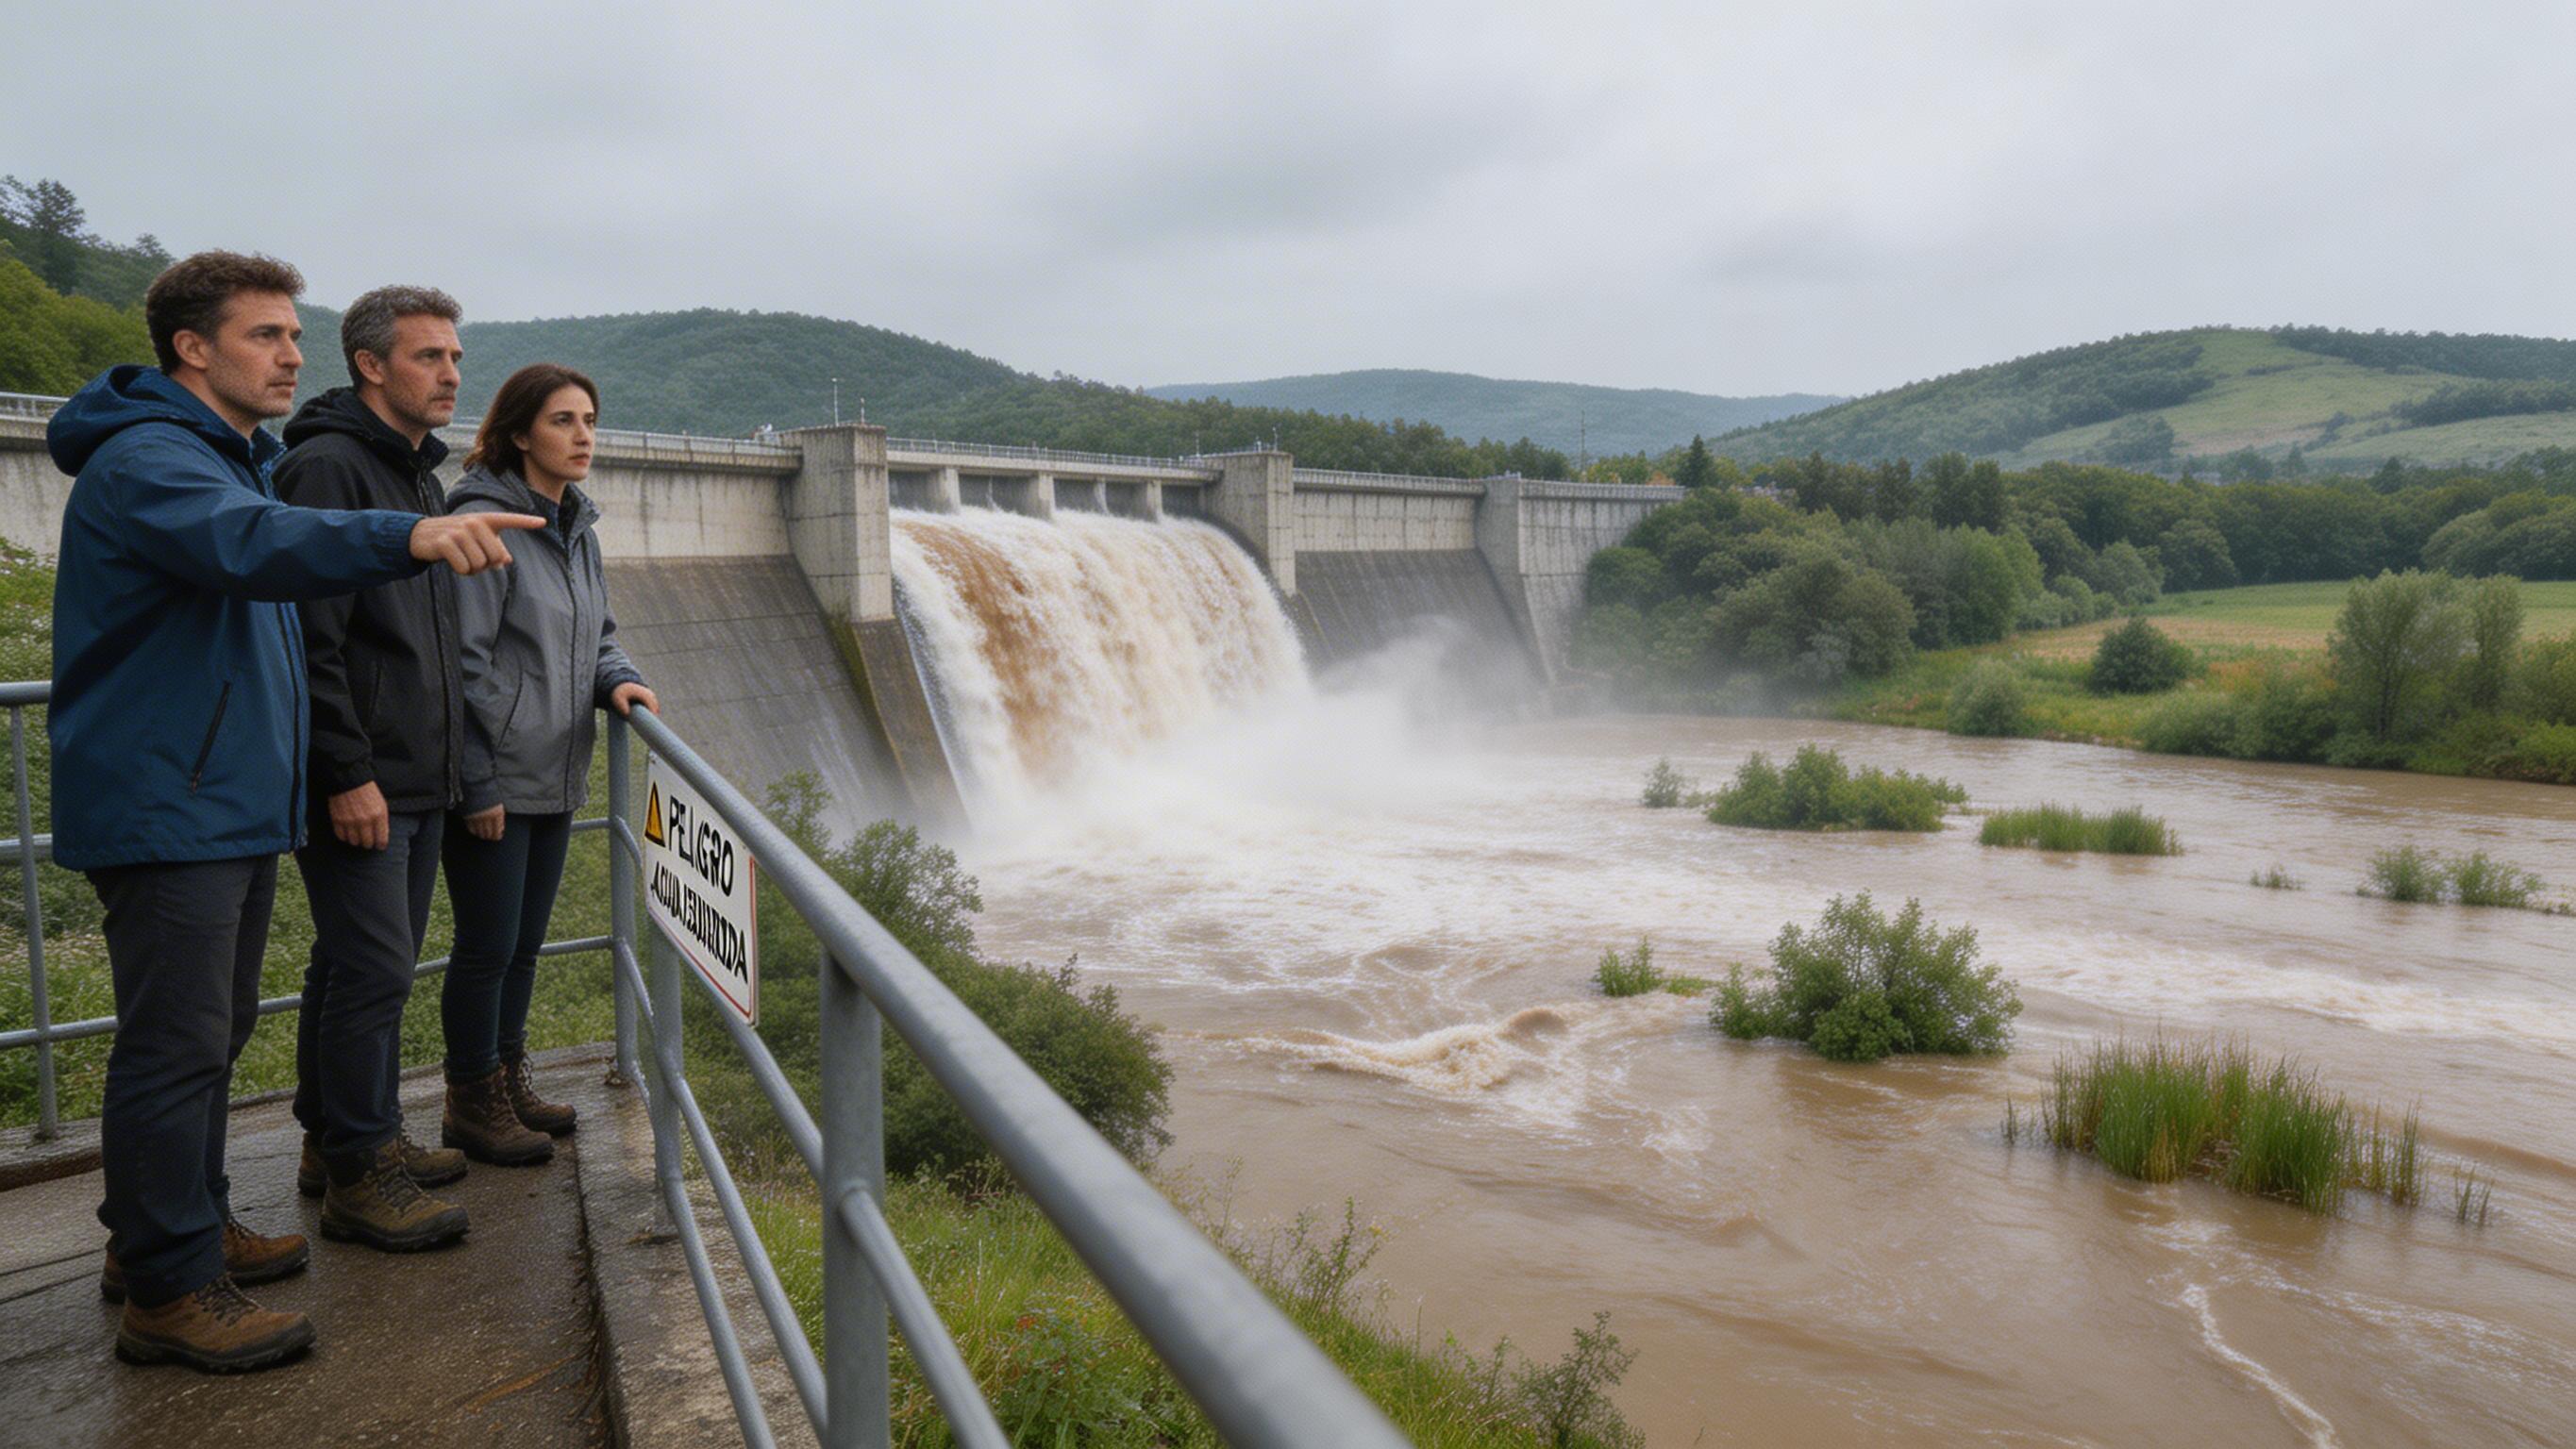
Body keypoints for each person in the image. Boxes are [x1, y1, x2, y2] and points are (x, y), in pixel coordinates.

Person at [47, 250, 544, 1373]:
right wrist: (402, 535)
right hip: (170, 796)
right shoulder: (152, 462)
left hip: (215, 796)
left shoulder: (225, 456)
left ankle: (167, 1233)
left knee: (207, 1036)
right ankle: (171, 1291)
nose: (289, 356)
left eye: (291, 336)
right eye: (266, 335)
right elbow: (254, 548)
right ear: (192, 347)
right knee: (177, 1047)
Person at [275, 286, 477, 1253]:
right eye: (429, 357)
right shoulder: (327, 468)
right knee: (374, 970)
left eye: (454, 358)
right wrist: (344, 770)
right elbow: (313, 638)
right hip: (367, 778)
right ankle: (362, 1173)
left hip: (415, 769)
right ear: (371, 365)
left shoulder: (412, 473)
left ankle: (339, 1140)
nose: (449, 375)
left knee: (353, 964)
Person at [441, 364, 657, 1164]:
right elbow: (460, 666)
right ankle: (470, 1099)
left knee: (523, 945)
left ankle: (506, 1075)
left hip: (558, 770)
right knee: (486, 946)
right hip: (496, 779)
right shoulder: (486, 526)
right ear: (521, 430)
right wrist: (477, 780)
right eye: (564, 421)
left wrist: (620, 678)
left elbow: (596, 633)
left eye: (591, 420)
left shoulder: (576, 530)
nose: (583, 436)